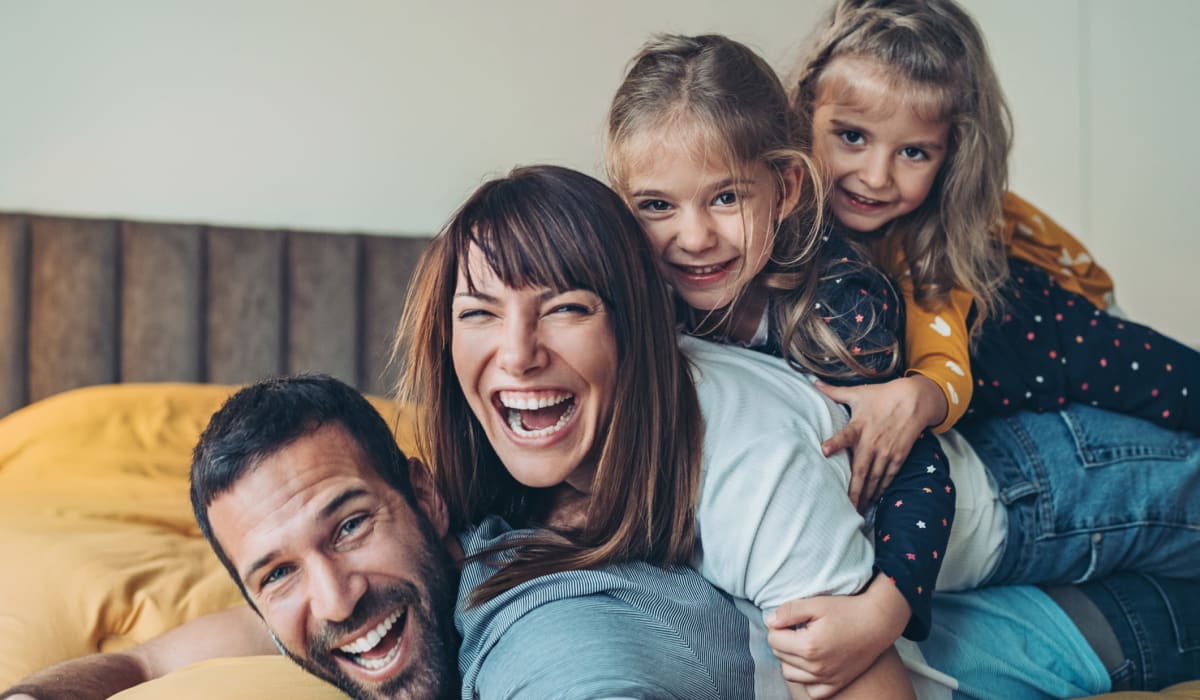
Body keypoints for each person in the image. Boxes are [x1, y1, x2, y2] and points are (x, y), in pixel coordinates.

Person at [394, 164, 1200, 696]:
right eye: (479, 314)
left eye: (566, 308)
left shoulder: (743, 459)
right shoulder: (497, 475)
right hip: (1000, 601)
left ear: (635, 325)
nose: (518, 353)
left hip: (1038, 485)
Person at [603, 32, 953, 650]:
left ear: (787, 187)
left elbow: (917, 465)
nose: (695, 236)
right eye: (657, 205)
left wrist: (886, 611)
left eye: (726, 197)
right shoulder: (638, 304)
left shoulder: (845, 306)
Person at [787, 0, 1198, 453]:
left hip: (1065, 304)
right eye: (852, 137)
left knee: (1172, 382)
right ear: (805, 113)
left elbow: (943, 354)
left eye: (913, 153)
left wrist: (923, 395)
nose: (876, 176)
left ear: (952, 156)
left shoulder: (930, 240)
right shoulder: (785, 199)